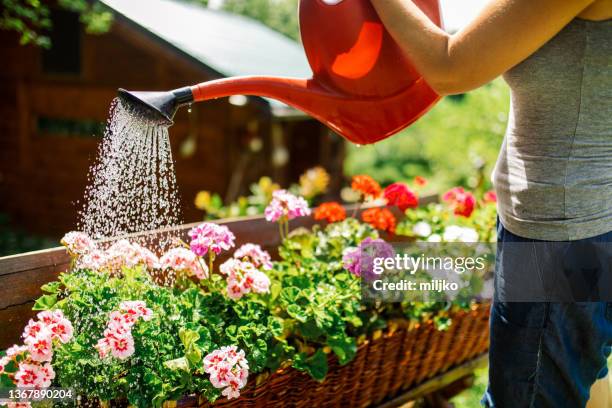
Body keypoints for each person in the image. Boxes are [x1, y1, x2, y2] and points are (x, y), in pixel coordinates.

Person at [369, 0, 612, 406]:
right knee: (583, 388)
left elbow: (451, 66)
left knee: (528, 396)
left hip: (559, 241)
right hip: (579, 224)